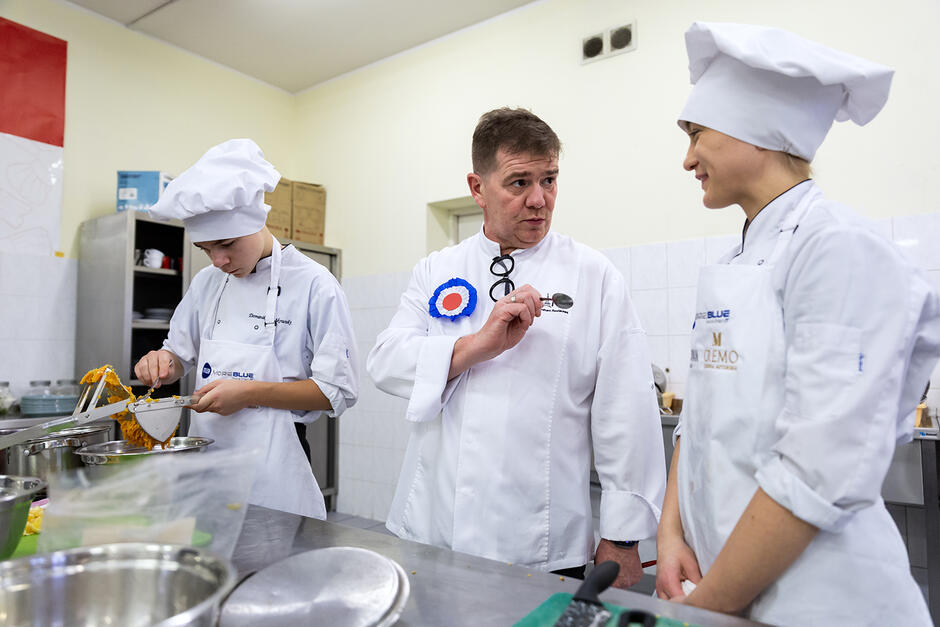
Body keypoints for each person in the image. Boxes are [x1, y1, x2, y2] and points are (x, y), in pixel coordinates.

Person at [655, 22, 940, 624]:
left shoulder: (839, 248)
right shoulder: (736, 263)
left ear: (757, 131)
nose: (687, 159)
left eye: (696, 133)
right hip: (726, 592)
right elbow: (699, 417)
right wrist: (672, 531)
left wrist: (708, 606)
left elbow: (819, 468)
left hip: (824, 602)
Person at [367, 108, 665, 586]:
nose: (539, 200)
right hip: (433, 524)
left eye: (549, 180)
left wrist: (623, 537)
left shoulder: (593, 275)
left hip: (540, 539)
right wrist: (474, 347)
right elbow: (384, 362)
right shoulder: (438, 269)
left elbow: (626, 410)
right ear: (477, 187)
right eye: (519, 182)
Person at [135, 138, 359, 519]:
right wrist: (161, 362)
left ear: (256, 222)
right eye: (207, 249)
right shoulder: (207, 283)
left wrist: (249, 393)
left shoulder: (315, 285)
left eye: (227, 244)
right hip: (205, 459)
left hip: (274, 467)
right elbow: (178, 356)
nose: (219, 260)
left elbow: (335, 391)